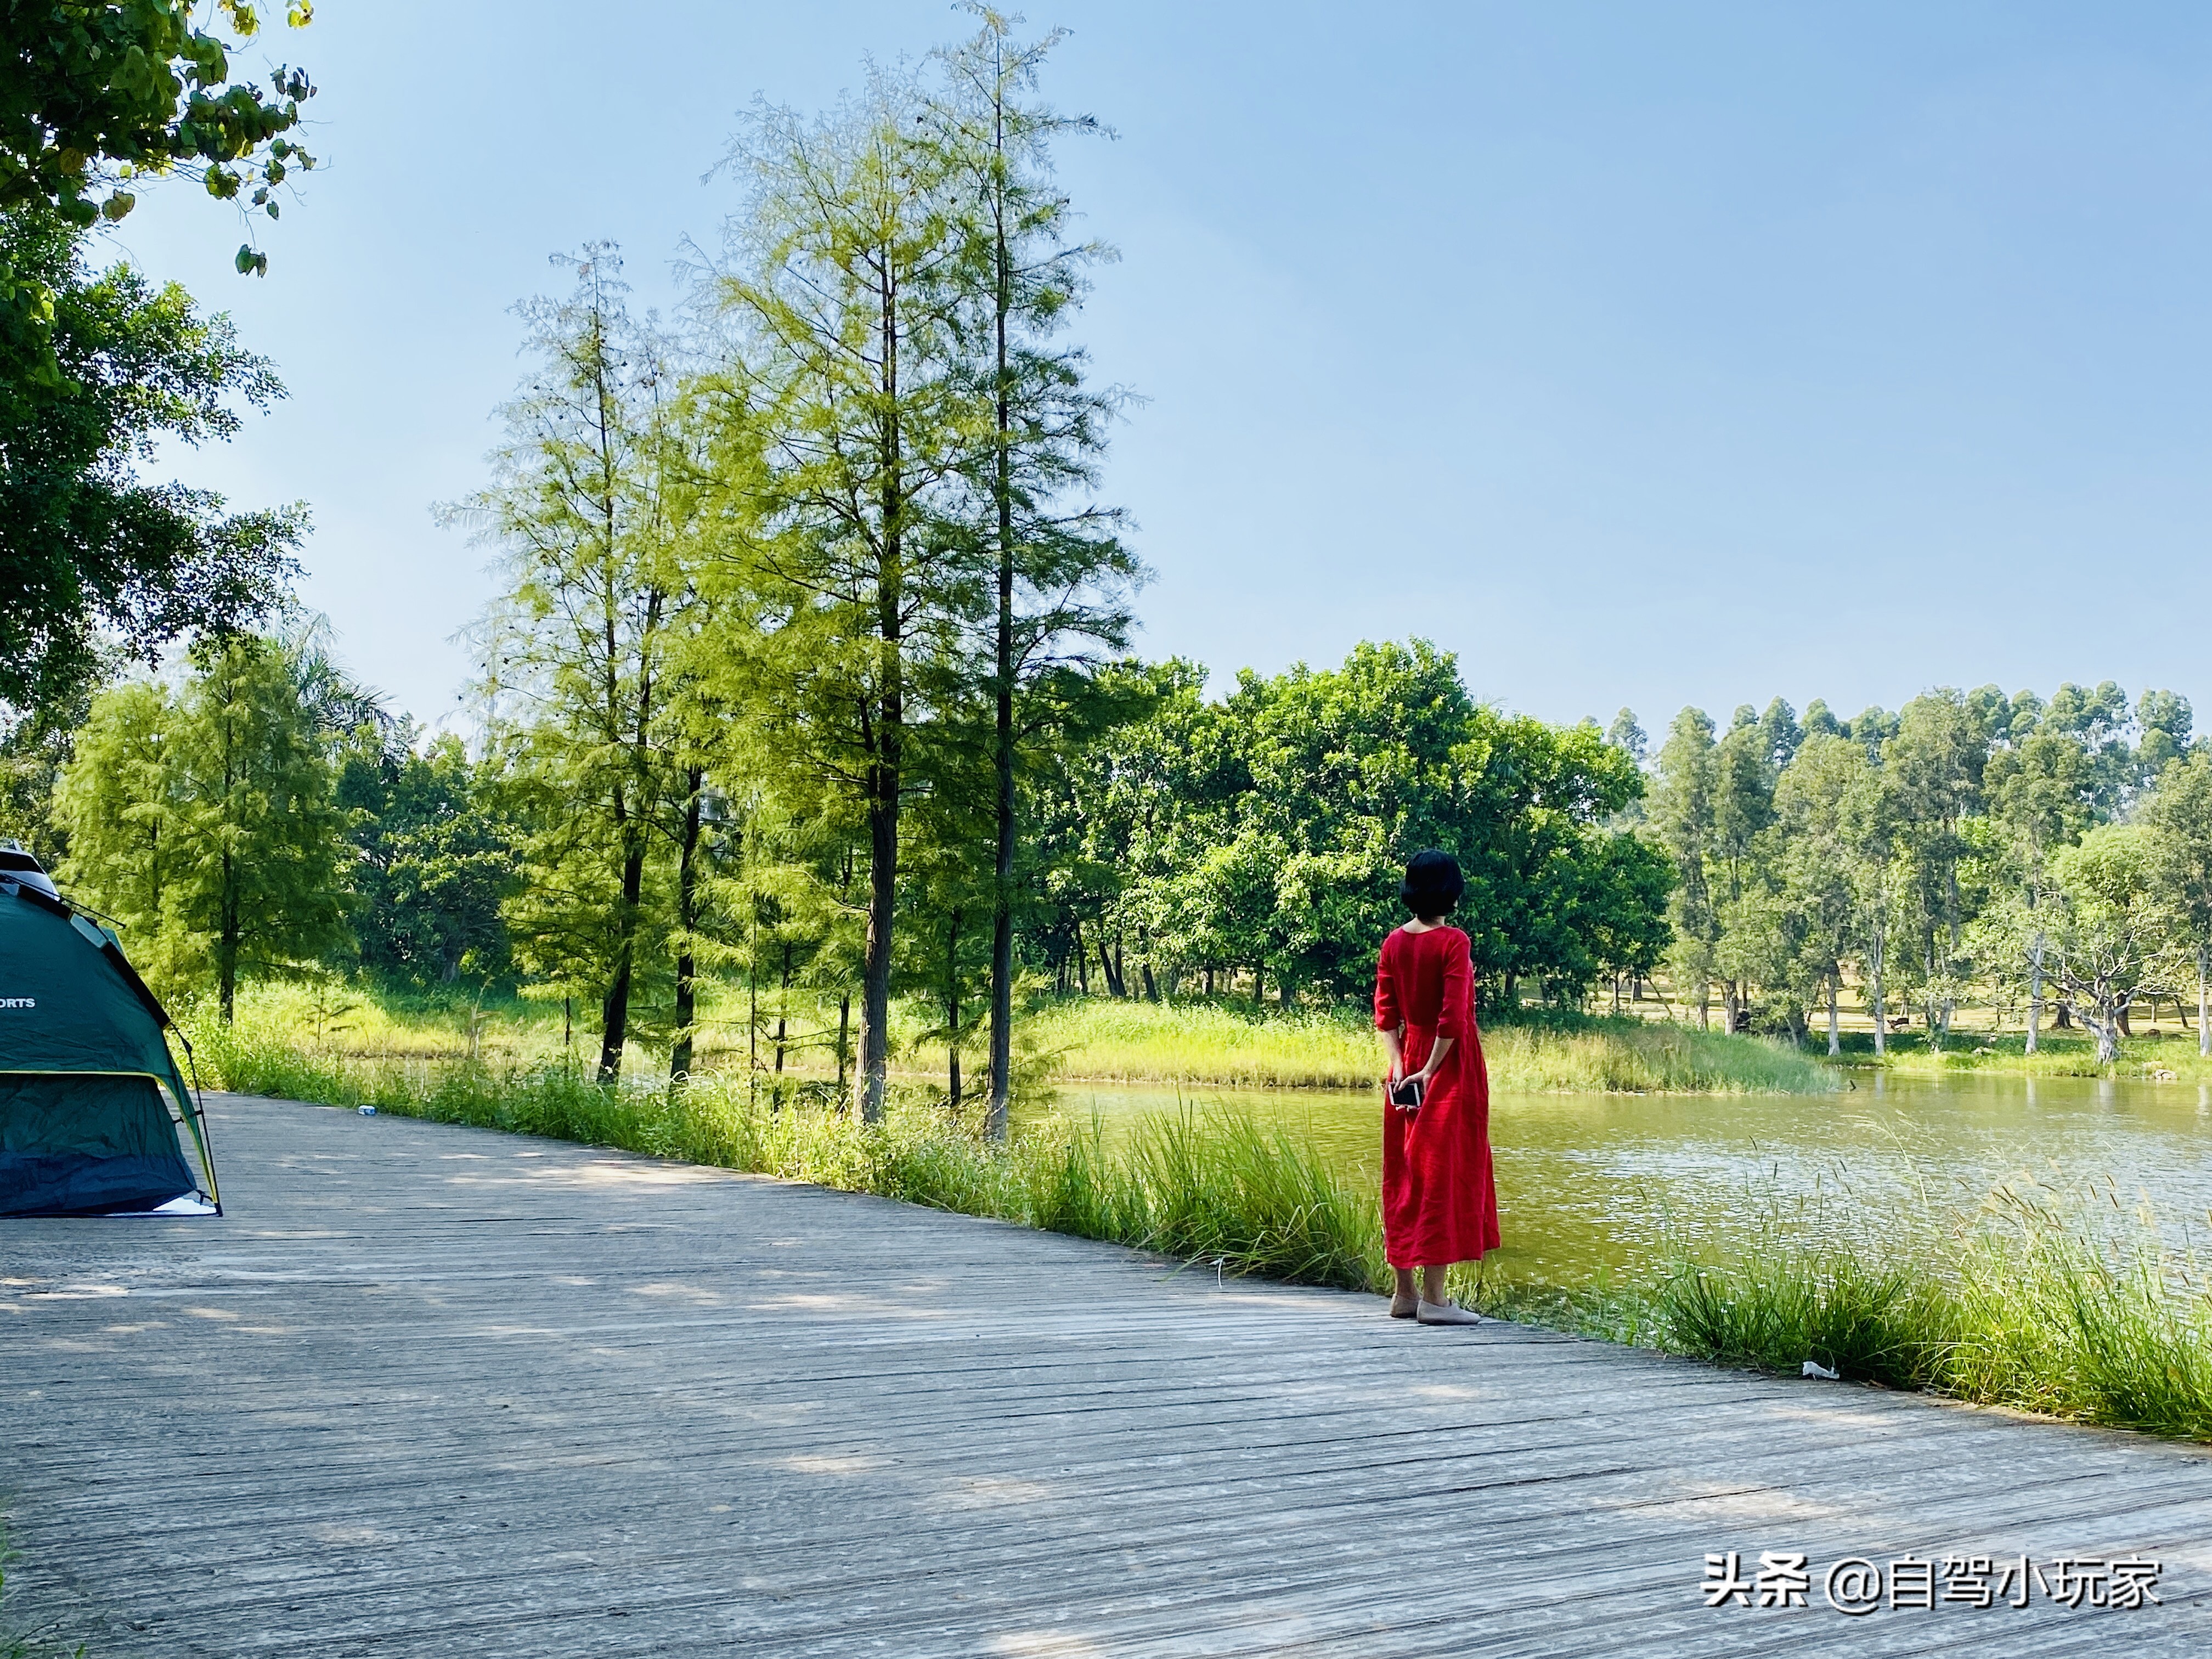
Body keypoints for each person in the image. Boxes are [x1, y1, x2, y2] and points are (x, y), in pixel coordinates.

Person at [1374, 849, 1499, 1325]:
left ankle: (1403, 1294)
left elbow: (1385, 1014)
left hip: (1403, 1067)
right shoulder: (1453, 942)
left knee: (1405, 1175)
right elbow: (1452, 1018)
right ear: (1452, 889)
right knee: (1441, 1176)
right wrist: (1428, 1070)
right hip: (1446, 1070)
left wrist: (1401, 1063)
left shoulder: (1393, 943)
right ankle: (1435, 1300)